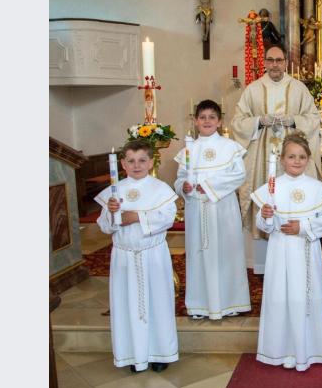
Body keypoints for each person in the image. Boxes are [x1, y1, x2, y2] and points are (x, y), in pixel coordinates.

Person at [252, 132, 322, 371]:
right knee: (281, 294)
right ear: (281, 160)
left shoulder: (316, 187)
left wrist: (303, 227)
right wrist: (266, 217)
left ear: (308, 159)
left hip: (305, 248)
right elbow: (263, 224)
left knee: (304, 296)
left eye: (301, 157)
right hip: (280, 249)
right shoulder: (272, 186)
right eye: (291, 156)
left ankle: (309, 349)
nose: (296, 161)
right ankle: (282, 349)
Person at [95, 140, 178, 373]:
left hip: (153, 255)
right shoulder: (115, 192)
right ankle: (133, 354)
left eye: (142, 160)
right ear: (122, 164)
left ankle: (160, 353)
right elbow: (104, 226)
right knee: (126, 304)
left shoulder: (161, 189)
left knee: (158, 303)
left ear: (151, 162)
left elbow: (168, 218)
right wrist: (112, 214)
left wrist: (136, 217)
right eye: (130, 161)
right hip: (124, 257)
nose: (136, 165)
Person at [232, 44, 322, 236]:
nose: (275, 65)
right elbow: (237, 122)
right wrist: (258, 121)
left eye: (279, 60)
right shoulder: (252, 90)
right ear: (265, 63)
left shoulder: (299, 88)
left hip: (294, 153)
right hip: (261, 157)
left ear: (286, 63)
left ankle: (297, 229)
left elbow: (314, 119)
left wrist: (295, 120)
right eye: (270, 60)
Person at [174, 100, 250, 320]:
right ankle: (200, 304)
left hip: (223, 208)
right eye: (202, 117)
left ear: (219, 121)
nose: (207, 121)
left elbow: (238, 175)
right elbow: (179, 179)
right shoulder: (189, 149)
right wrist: (184, 187)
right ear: (195, 121)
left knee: (227, 253)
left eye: (212, 117)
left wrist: (208, 186)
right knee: (199, 253)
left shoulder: (230, 147)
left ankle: (232, 302)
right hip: (197, 210)